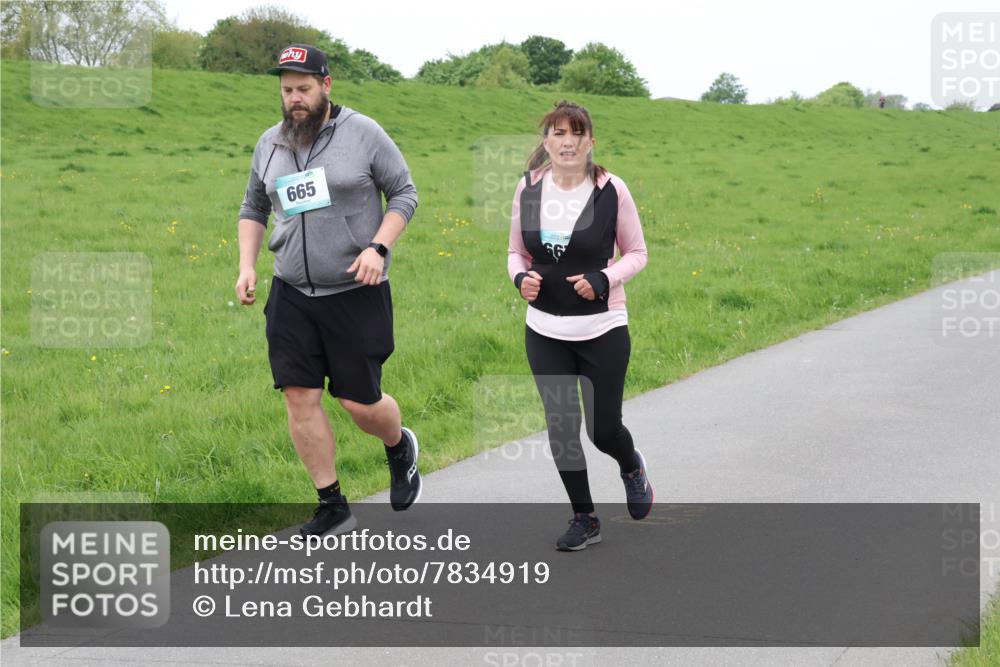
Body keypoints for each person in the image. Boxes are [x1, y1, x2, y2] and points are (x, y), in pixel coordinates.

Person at [235, 44, 421, 537]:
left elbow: (405, 193)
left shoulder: (363, 133)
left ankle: (399, 445)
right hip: (292, 291)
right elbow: (253, 207)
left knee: (360, 404)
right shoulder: (270, 143)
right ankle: (332, 504)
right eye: (286, 90)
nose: (294, 98)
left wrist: (378, 247)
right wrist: (247, 265)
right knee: (299, 396)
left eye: (304, 88)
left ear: (326, 85)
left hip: (355, 288)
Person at [508, 100, 652, 551]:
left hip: (602, 329)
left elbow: (637, 253)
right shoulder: (529, 188)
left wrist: (604, 278)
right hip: (544, 330)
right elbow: (516, 253)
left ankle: (631, 465)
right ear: (546, 141)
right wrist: (520, 279)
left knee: (603, 430)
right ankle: (584, 518)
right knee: (562, 429)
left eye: (576, 133)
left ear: (590, 142)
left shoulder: (612, 190)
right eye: (558, 133)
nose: (567, 142)